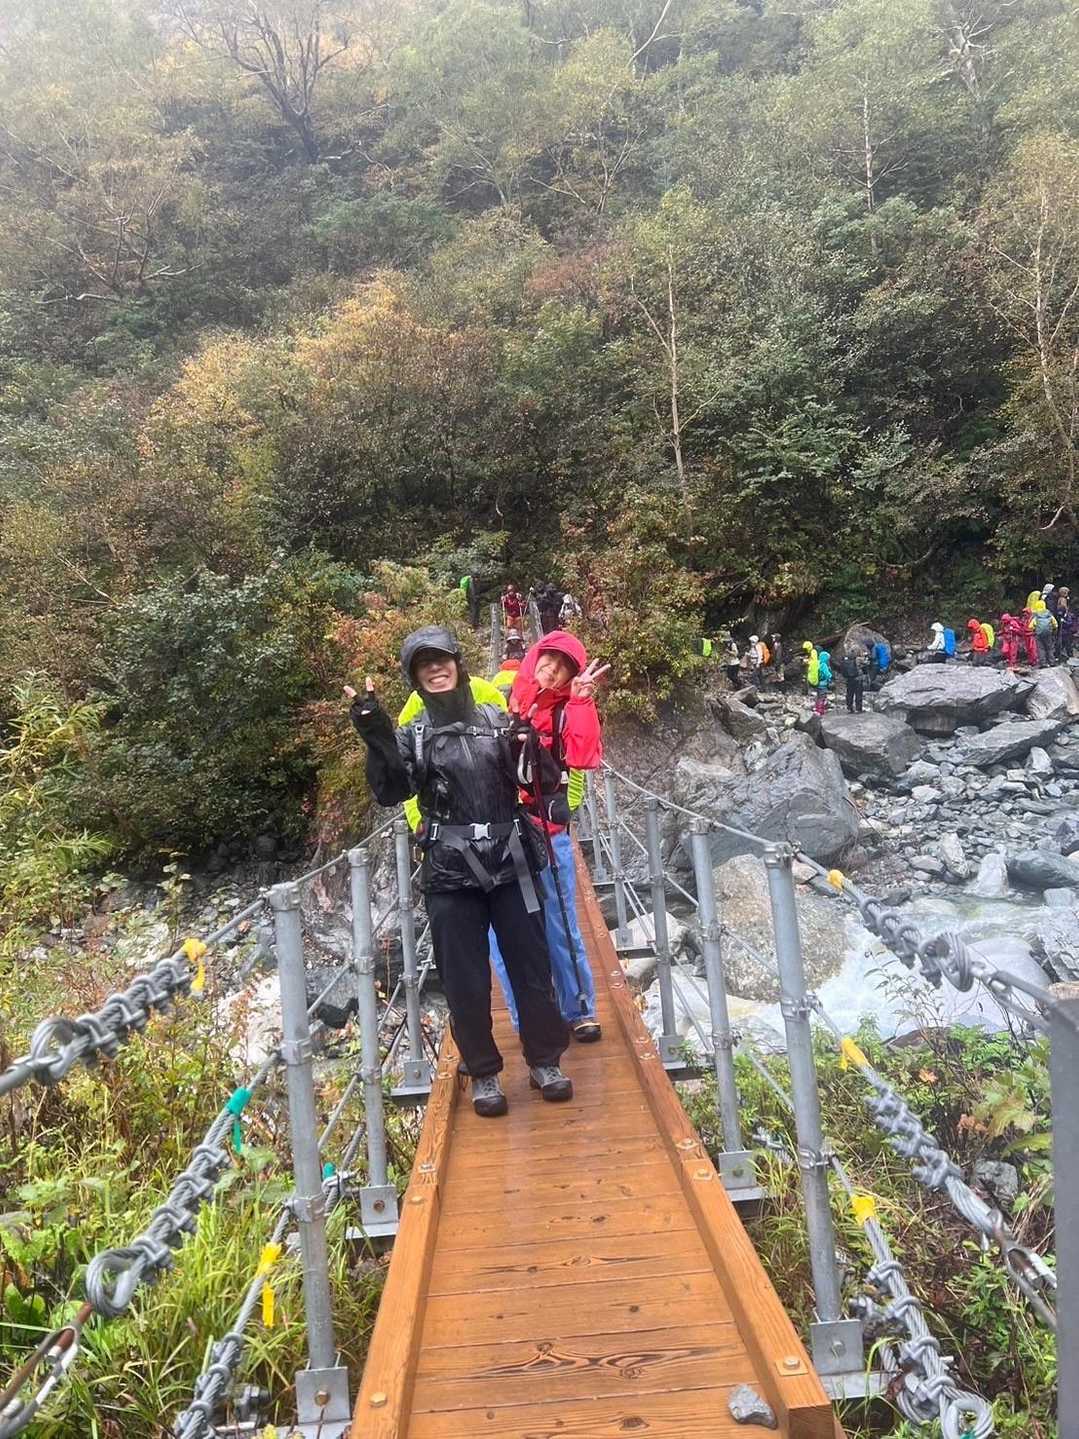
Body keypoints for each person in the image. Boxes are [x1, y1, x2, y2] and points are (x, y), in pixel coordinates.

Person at [345, 626, 571, 1117]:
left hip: (512, 861)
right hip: (450, 871)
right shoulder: (413, 735)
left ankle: (545, 1061)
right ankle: (484, 1070)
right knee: (464, 978)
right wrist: (376, 733)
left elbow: (541, 780)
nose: (435, 669)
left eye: (441, 659)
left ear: (457, 663)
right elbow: (392, 790)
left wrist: (530, 744)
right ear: (414, 678)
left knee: (532, 966)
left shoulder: (498, 720)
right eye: (423, 664)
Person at [490, 631, 608, 1044]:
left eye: (564, 667)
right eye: (549, 658)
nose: (553, 669)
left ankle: (579, 1008)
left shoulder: (566, 709)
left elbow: (584, 756)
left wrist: (582, 702)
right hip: (501, 832)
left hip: (547, 829)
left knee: (560, 922)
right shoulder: (500, 702)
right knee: (504, 934)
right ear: (535, 655)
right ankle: (528, 1017)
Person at [491, 632, 526, 697]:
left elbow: (525, 652)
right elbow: (505, 655)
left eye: (515, 639)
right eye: (513, 640)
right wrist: (504, 660)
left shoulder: (521, 645)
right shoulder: (507, 646)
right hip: (511, 662)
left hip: (520, 662)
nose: (514, 641)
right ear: (510, 640)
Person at [839, 648, 865, 713]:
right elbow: (866, 663)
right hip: (858, 679)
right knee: (858, 694)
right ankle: (858, 708)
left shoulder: (845, 661)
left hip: (849, 679)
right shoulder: (858, 659)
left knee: (849, 694)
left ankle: (850, 708)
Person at [1059, 590, 1076, 659]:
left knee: (1067, 641)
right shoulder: (1063, 600)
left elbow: (1069, 623)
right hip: (1065, 630)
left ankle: (1068, 654)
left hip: (1066, 630)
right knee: (1065, 642)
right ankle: (1065, 653)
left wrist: (1064, 621)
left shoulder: (1067, 613)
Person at [814, 649, 832, 714]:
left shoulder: (817, 663)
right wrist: (830, 677)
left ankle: (817, 709)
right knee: (822, 697)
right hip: (823, 683)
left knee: (818, 696)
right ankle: (820, 710)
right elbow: (827, 674)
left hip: (817, 683)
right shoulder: (823, 665)